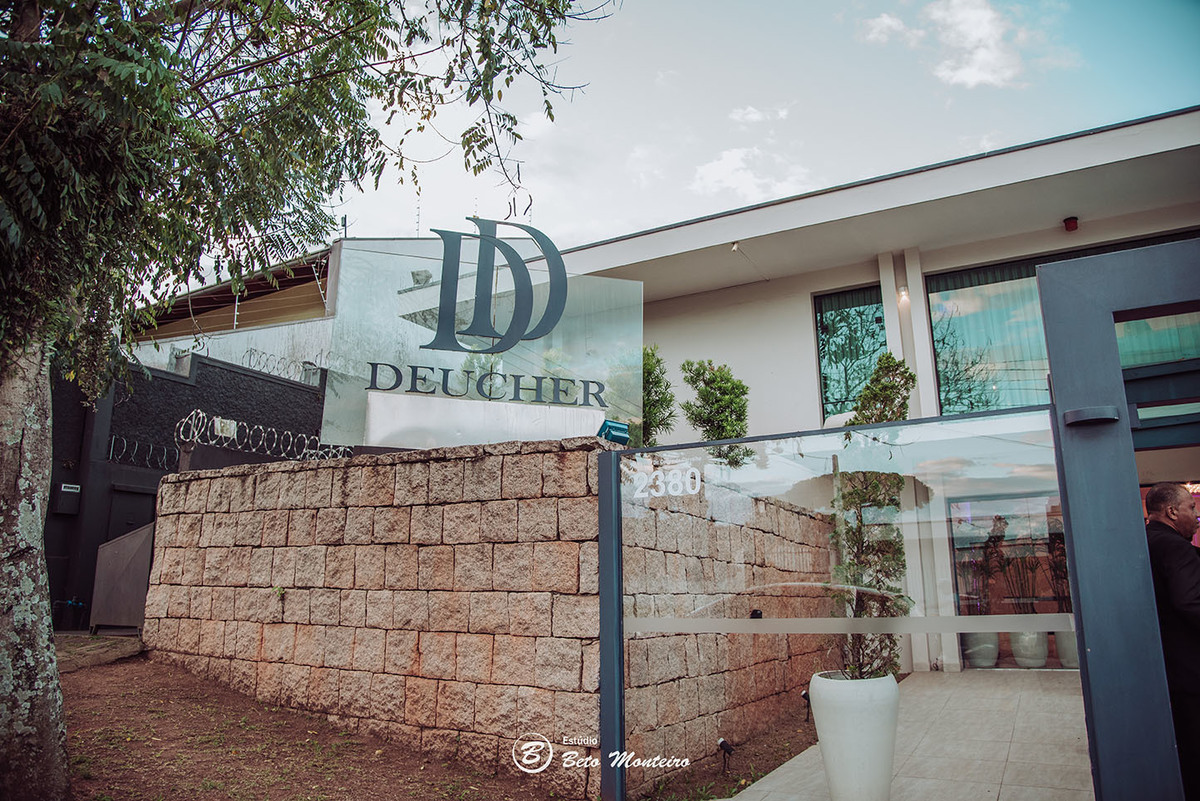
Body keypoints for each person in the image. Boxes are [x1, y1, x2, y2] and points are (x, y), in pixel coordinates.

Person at [1145, 482, 1200, 799]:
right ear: (1172, 511)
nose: (1195, 514)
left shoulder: (1144, 542)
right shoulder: (1175, 547)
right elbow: (1189, 602)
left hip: (1166, 664)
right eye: (1191, 507)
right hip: (1189, 669)